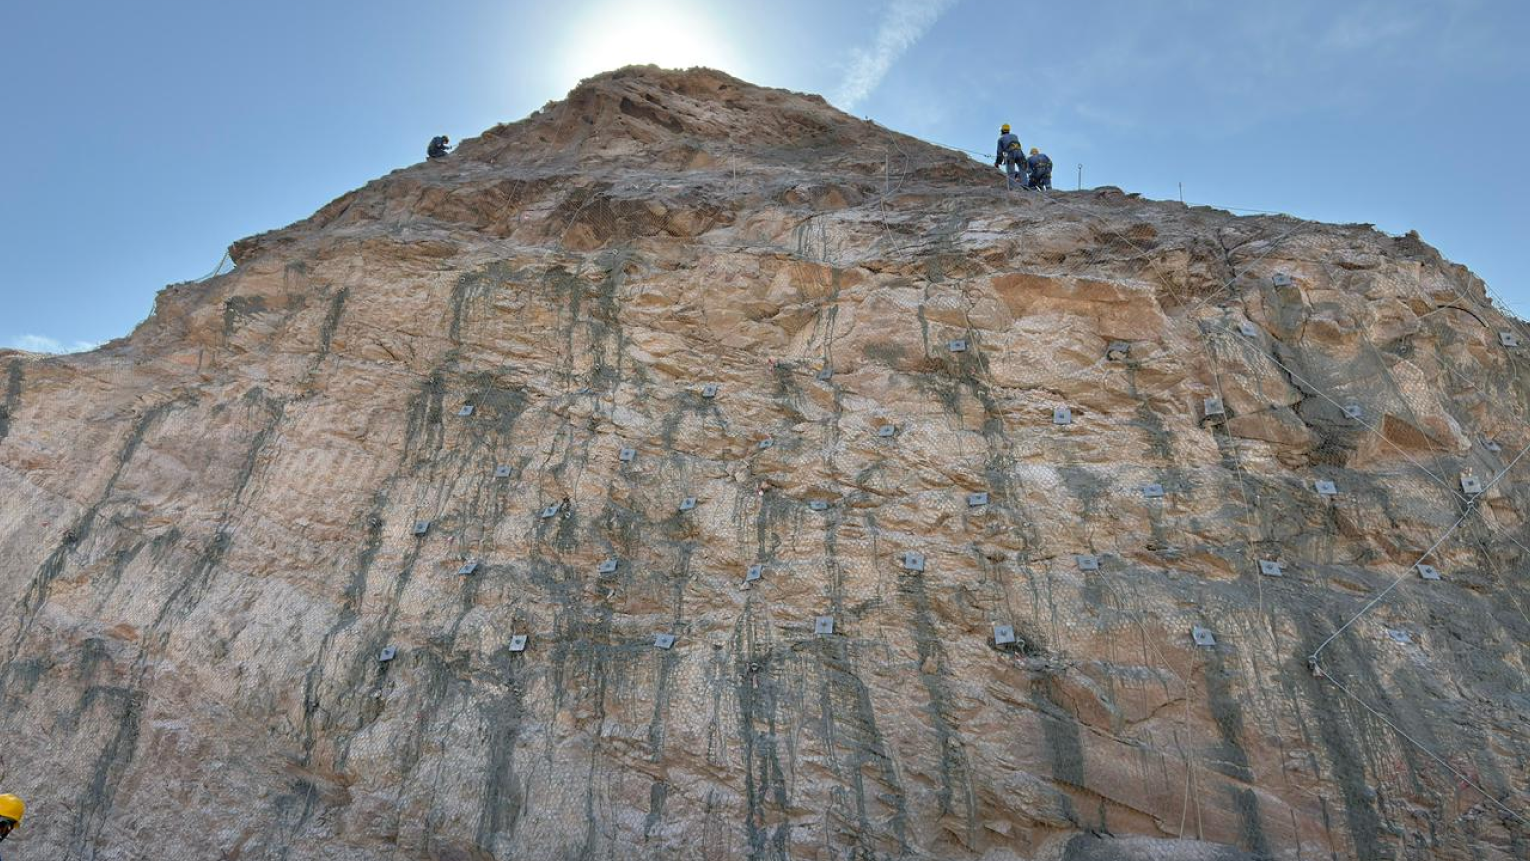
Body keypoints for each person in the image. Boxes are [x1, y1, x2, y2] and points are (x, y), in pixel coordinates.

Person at [994, 124, 1026, 189]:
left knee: (1011, 172)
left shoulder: (1001, 139)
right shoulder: (1015, 136)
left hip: (1010, 155)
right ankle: (1025, 186)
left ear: (1002, 131)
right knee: (1023, 171)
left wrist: (997, 163)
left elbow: (999, 153)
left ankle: (1013, 187)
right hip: (1020, 154)